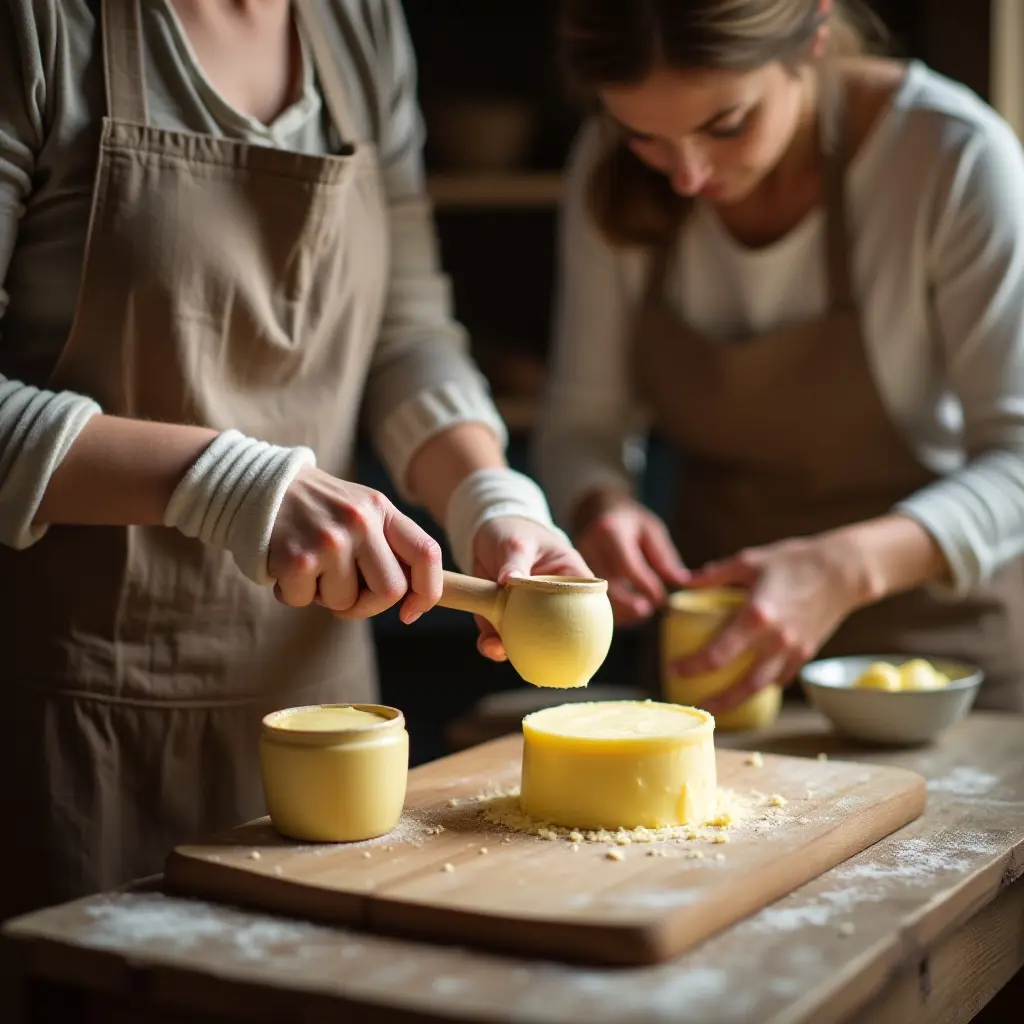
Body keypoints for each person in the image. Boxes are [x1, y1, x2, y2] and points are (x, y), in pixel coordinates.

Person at [0, 0, 587, 921]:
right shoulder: (40, 27)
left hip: (327, 712)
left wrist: (490, 496)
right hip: (69, 719)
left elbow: (406, 329)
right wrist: (229, 485)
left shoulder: (360, 26)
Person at [536, 0, 1024, 716]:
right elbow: (580, 421)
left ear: (815, 38)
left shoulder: (948, 155)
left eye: (726, 125)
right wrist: (599, 503)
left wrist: (844, 567)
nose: (687, 175)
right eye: (645, 136)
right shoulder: (610, 167)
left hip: (936, 673)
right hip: (717, 668)